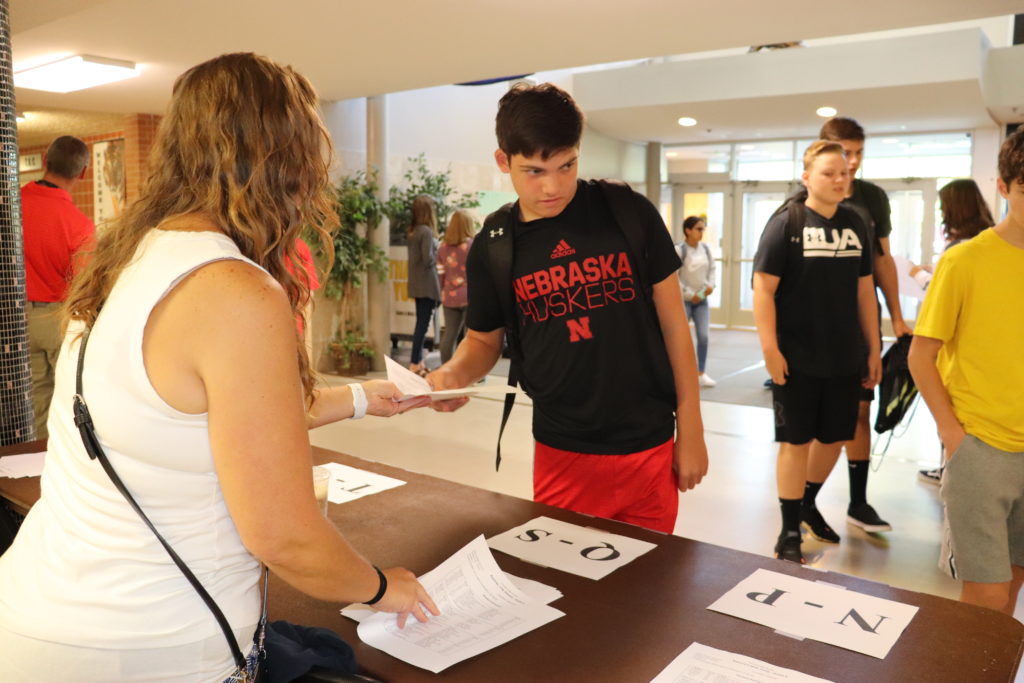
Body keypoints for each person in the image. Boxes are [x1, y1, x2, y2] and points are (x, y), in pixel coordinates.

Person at [0, 53, 437, 682]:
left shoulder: (128, 263)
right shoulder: (236, 290)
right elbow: (284, 535)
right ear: (287, 159)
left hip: (42, 618)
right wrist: (380, 586)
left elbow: (210, 415)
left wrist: (366, 397)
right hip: (147, 650)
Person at [427, 83, 708, 534]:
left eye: (566, 165)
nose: (553, 186)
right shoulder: (496, 245)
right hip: (564, 449)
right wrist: (453, 376)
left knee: (650, 590)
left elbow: (675, 323)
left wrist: (691, 426)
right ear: (504, 162)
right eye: (534, 171)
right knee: (573, 591)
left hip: (649, 443)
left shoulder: (627, 213)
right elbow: (482, 340)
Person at [907, 129, 1024, 616]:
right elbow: (921, 355)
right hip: (982, 447)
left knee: (1014, 582)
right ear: (1003, 187)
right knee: (986, 597)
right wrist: (955, 436)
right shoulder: (965, 260)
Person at [753, 140, 881, 564]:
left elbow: (866, 291)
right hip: (797, 355)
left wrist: (874, 348)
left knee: (834, 437)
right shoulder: (786, 222)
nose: (840, 180)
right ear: (807, 177)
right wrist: (770, 349)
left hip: (845, 355)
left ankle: (806, 501)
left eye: (844, 173)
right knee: (795, 441)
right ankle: (789, 528)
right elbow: (763, 289)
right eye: (829, 173)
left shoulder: (856, 222)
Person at [800, 117, 910, 543]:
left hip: (858, 328)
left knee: (858, 412)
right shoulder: (801, 204)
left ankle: (857, 501)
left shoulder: (871, 199)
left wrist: (896, 315)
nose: (853, 163)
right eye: (846, 153)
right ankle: (803, 503)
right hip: (812, 334)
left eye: (859, 153)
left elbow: (880, 261)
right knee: (815, 427)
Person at [910, 179, 993, 486]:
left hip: (955, 349)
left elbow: (943, 297)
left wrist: (919, 275)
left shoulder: (962, 249)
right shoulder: (985, 241)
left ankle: (950, 468)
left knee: (952, 412)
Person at [21, 135, 96, 439]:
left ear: (43, 161)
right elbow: (85, 286)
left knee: (34, 401)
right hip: (59, 321)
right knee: (68, 400)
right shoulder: (79, 225)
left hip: (16, 321)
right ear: (83, 173)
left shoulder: (11, 205)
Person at [676, 216, 716, 387]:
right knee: (681, 339)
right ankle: (680, 373)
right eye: (699, 229)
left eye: (703, 229)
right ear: (688, 230)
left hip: (701, 300)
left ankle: (701, 372)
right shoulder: (679, 250)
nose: (701, 232)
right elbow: (674, 277)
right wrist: (688, 294)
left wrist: (710, 286)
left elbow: (712, 270)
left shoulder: (705, 249)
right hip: (684, 301)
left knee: (703, 337)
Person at [407, 194, 441, 375]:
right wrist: (440, 251)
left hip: (416, 284)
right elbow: (428, 259)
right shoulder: (426, 232)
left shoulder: (413, 231)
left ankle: (418, 362)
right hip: (428, 285)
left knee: (420, 323)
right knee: (422, 324)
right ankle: (414, 363)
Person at [436, 209, 475, 364]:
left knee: (449, 335)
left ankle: (447, 370)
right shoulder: (472, 245)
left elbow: (440, 273)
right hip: (470, 296)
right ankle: (471, 371)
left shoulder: (442, 247)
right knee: (471, 337)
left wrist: (442, 292)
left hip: (449, 296)